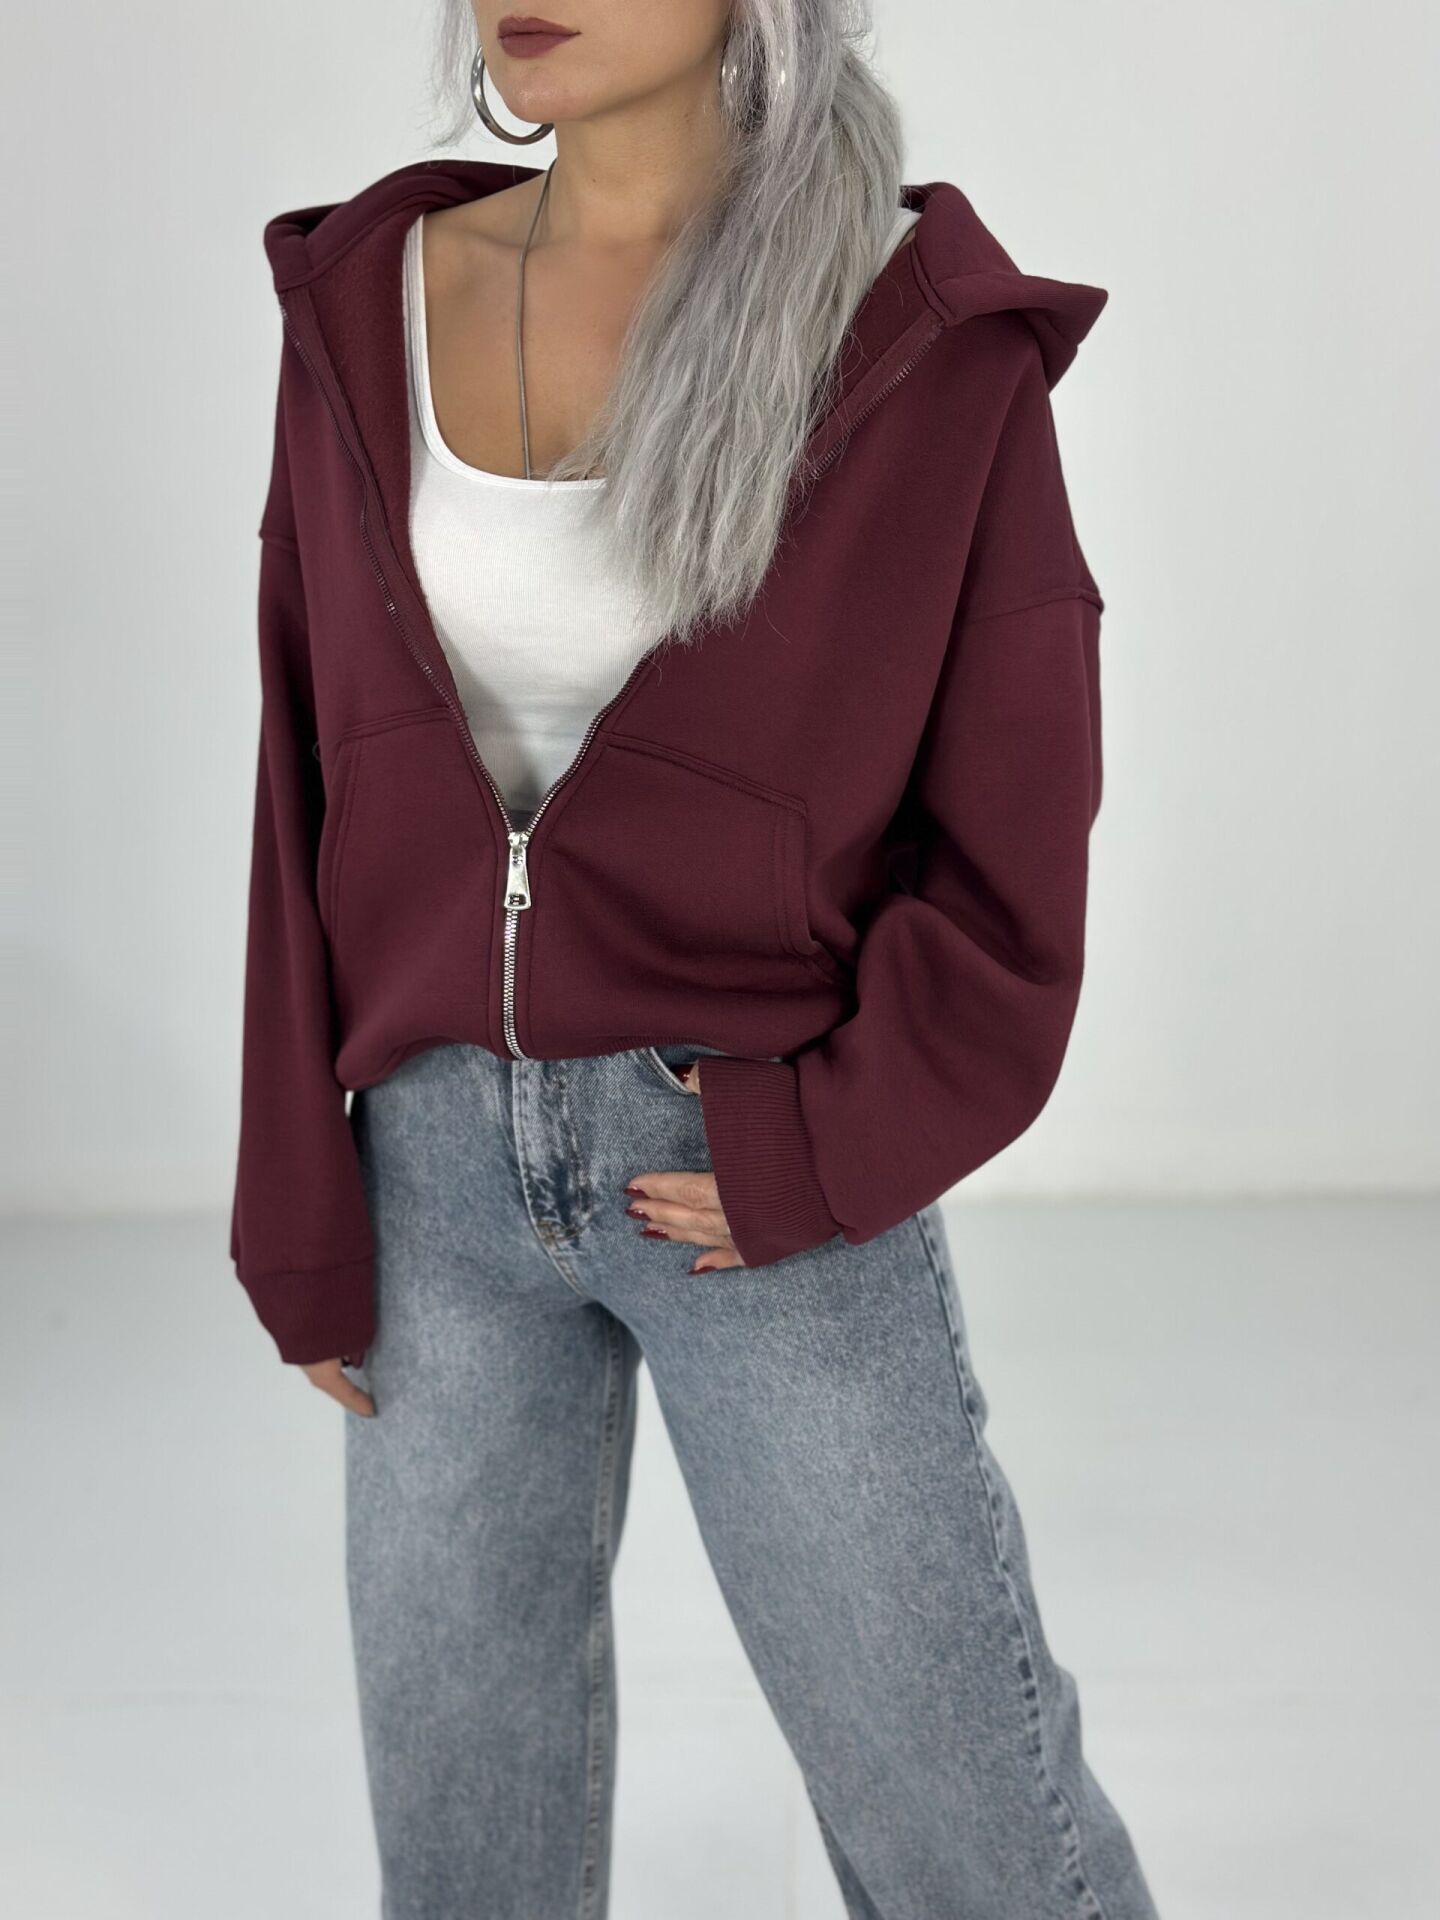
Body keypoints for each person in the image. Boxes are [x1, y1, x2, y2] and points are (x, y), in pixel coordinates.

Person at [230, 2, 1160, 1913]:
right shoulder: (366, 300)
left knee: (963, 1828)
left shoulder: (917, 336)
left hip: (750, 1174)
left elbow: (1011, 846)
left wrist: (820, 1147)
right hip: (431, 1186)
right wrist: (299, 1204)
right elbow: (302, 774)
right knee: (464, 1855)